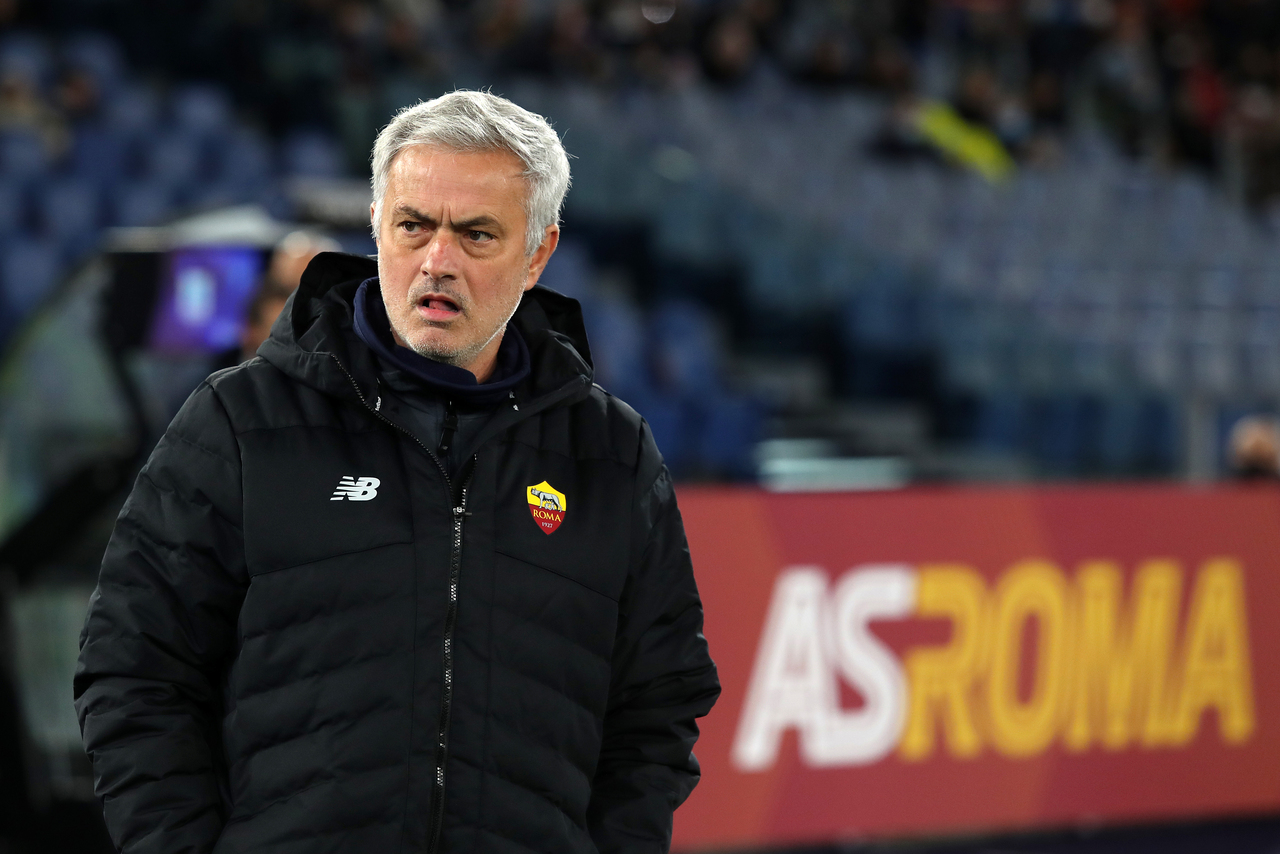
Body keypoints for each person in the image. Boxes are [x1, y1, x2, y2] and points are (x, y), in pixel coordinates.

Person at [75, 90, 720, 853]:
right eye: (414, 226)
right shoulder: (239, 423)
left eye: (476, 235)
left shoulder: (612, 453)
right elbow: (134, 667)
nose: (437, 262)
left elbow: (658, 703)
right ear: (378, 223)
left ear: (538, 252)